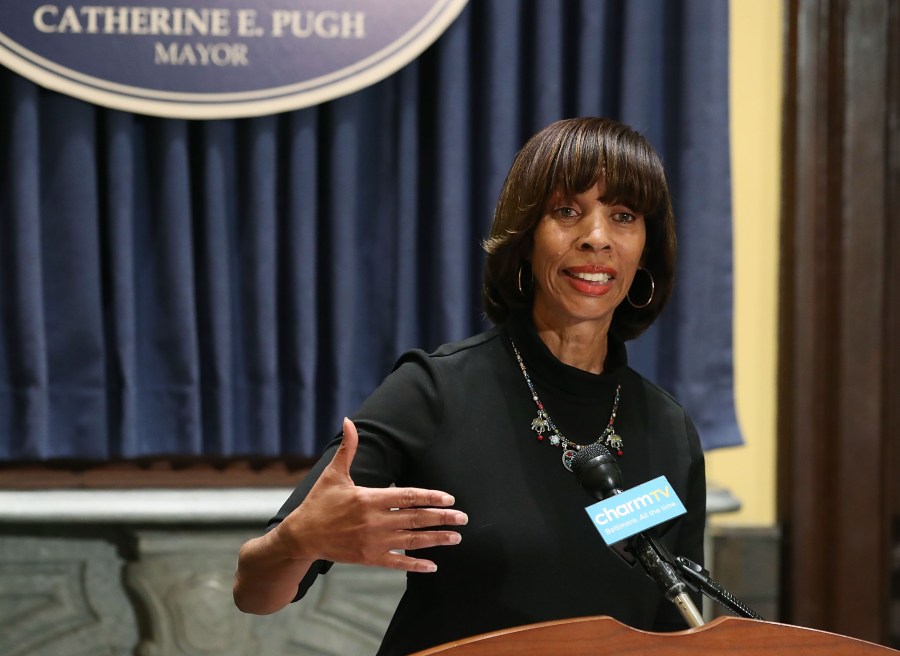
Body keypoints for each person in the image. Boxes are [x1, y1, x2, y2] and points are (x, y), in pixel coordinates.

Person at [233, 117, 706, 655]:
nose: (596, 238)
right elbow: (255, 592)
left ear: (646, 248)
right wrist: (298, 540)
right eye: (566, 212)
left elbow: (680, 633)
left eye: (623, 216)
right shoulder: (434, 392)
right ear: (526, 238)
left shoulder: (669, 429)